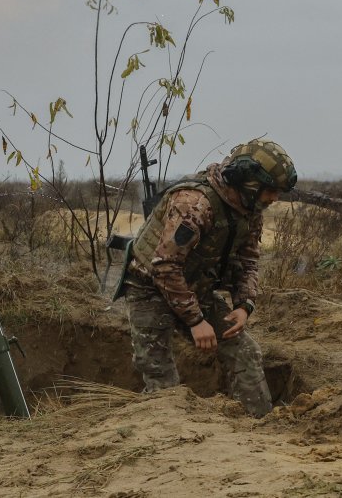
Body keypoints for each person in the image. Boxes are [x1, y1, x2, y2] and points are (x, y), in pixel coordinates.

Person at [119, 138, 297, 417]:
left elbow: (248, 259)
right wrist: (196, 320)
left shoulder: (249, 209)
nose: (274, 198)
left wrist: (244, 304)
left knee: (245, 352)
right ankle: (169, 442)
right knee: (160, 379)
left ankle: (259, 429)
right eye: (271, 190)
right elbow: (164, 266)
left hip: (194, 286)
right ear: (249, 182)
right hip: (148, 288)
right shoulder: (194, 204)